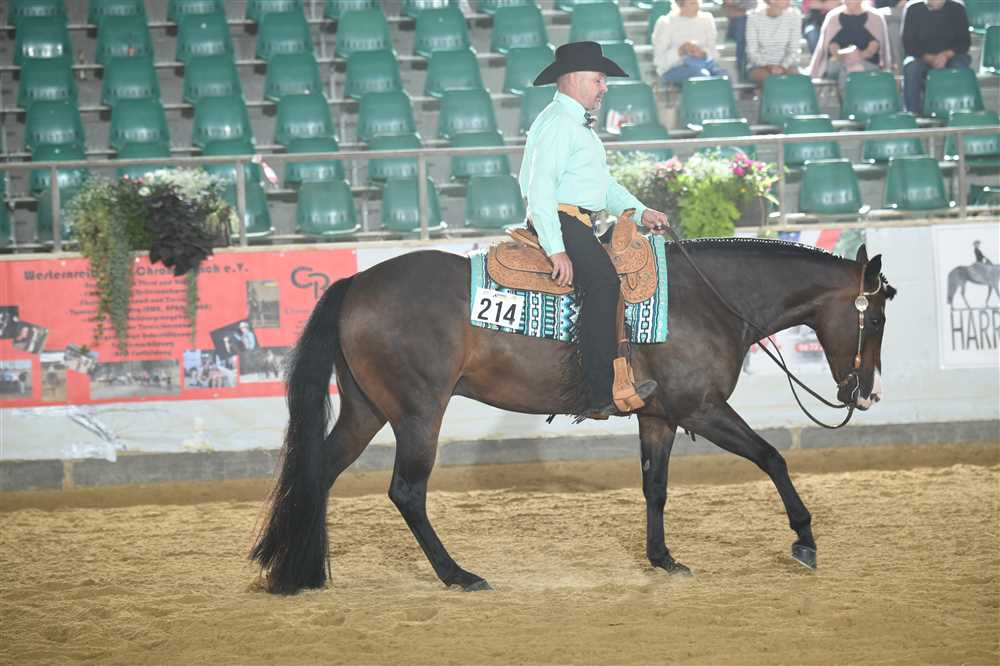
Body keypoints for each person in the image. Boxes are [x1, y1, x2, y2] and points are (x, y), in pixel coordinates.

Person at [520, 41, 670, 419]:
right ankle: (597, 392)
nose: (604, 87)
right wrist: (556, 248)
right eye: (598, 79)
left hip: (577, 220)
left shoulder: (573, 123)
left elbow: (602, 186)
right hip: (562, 220)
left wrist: (641, 212)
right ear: (573, 79)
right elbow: (540, 187)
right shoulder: (560, 123)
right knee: (603, 283)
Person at [901, 0, 971, 114]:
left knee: (960, 66)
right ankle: (912, 113)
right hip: (921, 57)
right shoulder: (913, 9)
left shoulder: (958, 8)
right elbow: (908, 43)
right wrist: (929, 58)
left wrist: (945, 55)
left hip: (952, 55)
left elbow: (964, 42)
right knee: (911, 67)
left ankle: (961, 111)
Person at [808, 0, 892, 93]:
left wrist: (858, 56)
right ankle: (852, 100)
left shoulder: (875, 17)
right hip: (838, 62)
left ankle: (848, 100)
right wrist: (843, 55)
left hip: (867, 63)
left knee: (853, 69)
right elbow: (831, 46)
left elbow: (874, 47)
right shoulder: (833, 17)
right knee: (847, 69)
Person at [653, 0, 728, 88]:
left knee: (724, 76)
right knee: (701, 75)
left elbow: (714, 52)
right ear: (680, 5)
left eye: (698, 3)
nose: (697, 7)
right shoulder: (666, 22)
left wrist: (702, 53)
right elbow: (659, 60)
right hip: (674, 68)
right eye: (693, 3)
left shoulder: (707, 19)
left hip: (703, 64)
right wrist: (680, 51)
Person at [746, 0, 803, 86]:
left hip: (788, 65)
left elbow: (794, 49)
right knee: (769, 81)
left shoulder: (794, 16)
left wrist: (783, 66)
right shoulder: (754, 17)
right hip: (759, 66)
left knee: (793, 78)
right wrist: (768, 67)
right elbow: (752, 51)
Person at [723, 0, 760, 77]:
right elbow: (727, 3)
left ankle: (745, 68)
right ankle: (741, 68)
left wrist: (735, 4)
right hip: (737, 20)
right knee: (741, 41)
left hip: (750, 17)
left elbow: (753, 5)